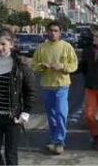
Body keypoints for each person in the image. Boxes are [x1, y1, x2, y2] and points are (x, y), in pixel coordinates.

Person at [0, 29, 37, 165]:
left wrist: (26, 112)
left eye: (3, 44)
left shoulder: (21, 64)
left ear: (11, 44)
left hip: (13, 117)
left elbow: (31, 91)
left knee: (11, 153)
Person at [31, 21, 78, 155]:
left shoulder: (67, 47)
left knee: (61, 114)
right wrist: (42, 66)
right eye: (51, 30)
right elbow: (34, 65)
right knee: (51, 116)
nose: (53, 33)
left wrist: (62, 67)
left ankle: (59, 142)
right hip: (46, 86)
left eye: (56, 30)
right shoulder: (41, 47)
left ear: (60, 32)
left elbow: (74, 65)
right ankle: (53, 139)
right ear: (47, 31)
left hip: (61, 86)